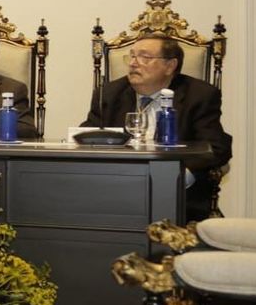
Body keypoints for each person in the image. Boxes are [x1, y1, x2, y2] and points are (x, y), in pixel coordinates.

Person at [82, 34, 231, 222]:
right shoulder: (110, 93)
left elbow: (217, 147)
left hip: (177, 197)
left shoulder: (199, 95)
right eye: (132, 56)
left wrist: (176, 178)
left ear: (170, 66)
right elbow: (88, 135)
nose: (133, 64)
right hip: (117, 191)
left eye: (144, 57)